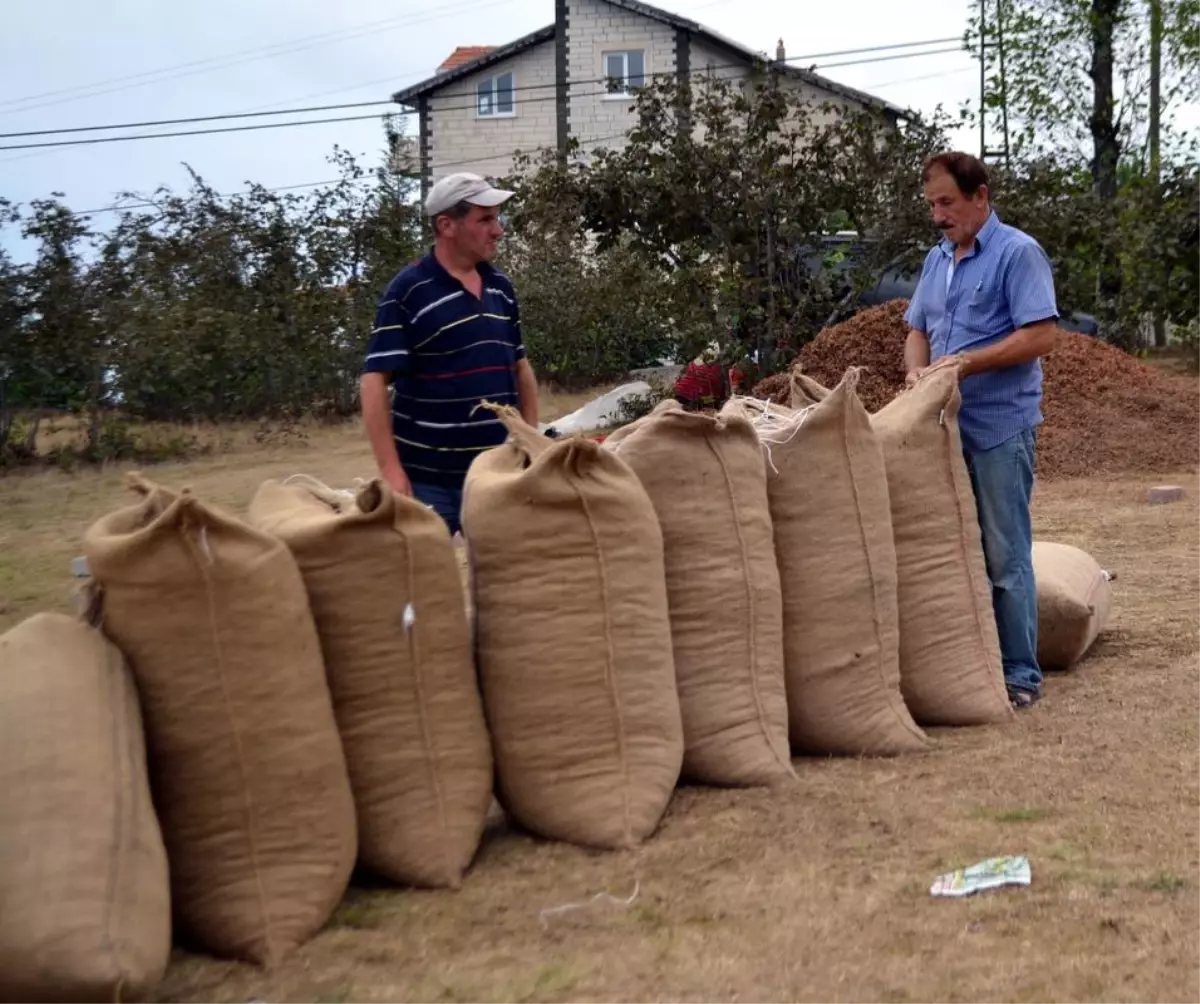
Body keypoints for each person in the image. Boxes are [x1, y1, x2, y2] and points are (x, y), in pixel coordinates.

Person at [902, 151, 1059, 710]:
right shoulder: (936, 258)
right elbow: (918, 330)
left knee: (1003, 551)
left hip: (998, 427)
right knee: (949, 549)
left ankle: (1020, 674)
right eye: (931, 205)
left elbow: (1040, 336)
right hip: (942, 429)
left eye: (947, 202)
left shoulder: (1018, 253)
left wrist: (965, 364)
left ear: (980, 197)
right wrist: (917, 372)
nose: (938, 215)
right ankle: (972, 661)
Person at [360, 172, 539, 536]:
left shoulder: (501, 288)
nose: (498, 230)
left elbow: (520, 368)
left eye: (497, 218)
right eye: (485, 219)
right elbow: (374, 380)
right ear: (447, 225)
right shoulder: (408, 291)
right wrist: (391, 472)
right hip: (429, 482)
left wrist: (531, 442)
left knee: (504, 582)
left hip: (498, 475)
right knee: (425, 587)